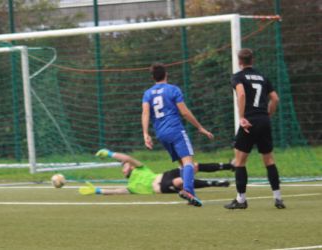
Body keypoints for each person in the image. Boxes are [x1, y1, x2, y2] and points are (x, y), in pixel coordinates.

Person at [142, 63, 214, 206]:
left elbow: (145, 113)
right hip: (175, 130)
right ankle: (187, 190)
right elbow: (185, 112)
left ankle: (191, 196)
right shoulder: (173, 90)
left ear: (152, 77)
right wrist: (200, 127)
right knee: (189, 163)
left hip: (161, 134)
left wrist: (145, 134)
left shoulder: (148, 93)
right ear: (166, 74)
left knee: (182, 164)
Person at [224, 48, 285, 209]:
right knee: (269, 160)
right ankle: (278, 198)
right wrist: (268, 114)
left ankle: (241, 200)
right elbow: (275, 99)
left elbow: (242, 94)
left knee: (240, 161)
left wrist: (242, 117)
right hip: (264, 120)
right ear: (252, 60)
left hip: (249, 122)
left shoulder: (238, 77)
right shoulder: (263, 77)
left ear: (239, 61)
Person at [79, 149, 233, 197]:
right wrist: (97, 190)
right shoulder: (131, 187)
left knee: (192, 166)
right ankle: (217, 183)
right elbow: (116, 191)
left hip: (165, 175)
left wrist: (110, 153)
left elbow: (127, 157)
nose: (122, 167)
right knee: (179, 182)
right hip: (163, 186)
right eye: (122, 166)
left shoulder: (140, 168)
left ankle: (228, 166)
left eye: (123, 165)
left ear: (131, 167)